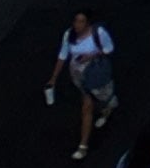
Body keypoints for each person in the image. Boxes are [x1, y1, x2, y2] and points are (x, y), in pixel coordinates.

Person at [49, 9, 118, 160]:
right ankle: (83, 145)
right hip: (79, 75)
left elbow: (109, 48)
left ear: (88, 23)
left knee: (103, 97)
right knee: (86, 105)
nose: (77, 25)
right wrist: (53, 78)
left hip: (96, 72)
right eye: (75, 21)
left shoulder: (98, 33)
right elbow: (63, 55)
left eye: (81, 21)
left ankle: (107, 109)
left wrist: (92, 55)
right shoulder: (69, 35)